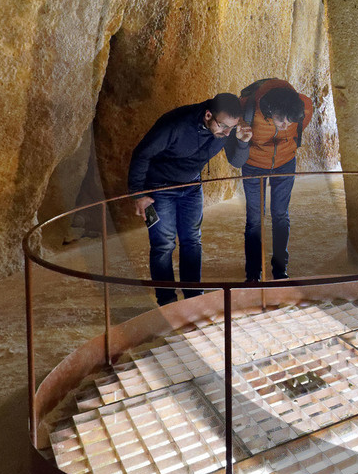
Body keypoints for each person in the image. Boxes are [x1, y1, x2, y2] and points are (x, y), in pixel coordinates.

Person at [128, 93, 248, 305]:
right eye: (223, 126)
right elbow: (142, 154)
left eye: (231, 128)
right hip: (159, 188)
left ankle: (193, 298)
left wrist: (243, 143)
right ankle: (167, 301)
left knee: (192, 241)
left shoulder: (225, 130)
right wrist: (138, 193)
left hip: (192, 187)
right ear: (208, 115)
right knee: (163, 245)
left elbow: (237, 161)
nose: (227, 132)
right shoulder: (176, 123)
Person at [225, 78, 313, 282]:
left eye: (290, 121)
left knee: (281, 215)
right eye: (281, 120)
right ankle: (253, 273)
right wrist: (242, 141)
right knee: (255, 219)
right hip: (254, 165)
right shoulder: (246, 110)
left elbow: (298, 129)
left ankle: (280, 269)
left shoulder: (303, 106)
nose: (285, 126)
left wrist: (286, 145)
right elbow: (235, 157)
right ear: (269, 110)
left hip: (285, 163)